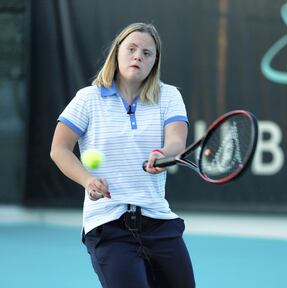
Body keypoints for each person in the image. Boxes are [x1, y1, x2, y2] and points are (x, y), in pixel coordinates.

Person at [50, 23, 195, 288]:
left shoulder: (169, 96)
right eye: (131, 48)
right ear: (117, 53)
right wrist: (87, 180)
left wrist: (163, 154)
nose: (138, 56)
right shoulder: (87, 98)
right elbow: (59, 149)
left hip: (159, 222)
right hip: (108, 225)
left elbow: (176, 141)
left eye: (147, 53)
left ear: (154, 62)